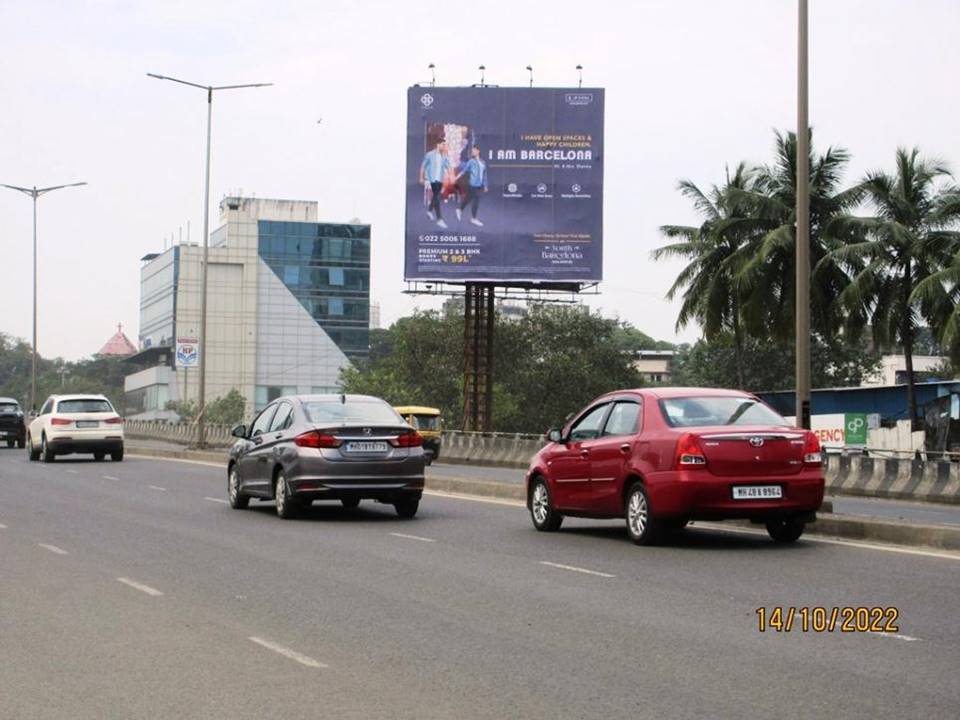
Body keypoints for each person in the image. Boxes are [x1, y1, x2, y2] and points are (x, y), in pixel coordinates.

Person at [419, 139, 451, 229]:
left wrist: (449, 176)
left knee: (436, 197)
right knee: (437, 197)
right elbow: (423, 166)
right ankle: (440, 219)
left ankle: (429, 211)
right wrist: (421, 177)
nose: (444, 146)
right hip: (431, 179)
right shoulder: (429, 155)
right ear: (438, 144)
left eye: (445, 145)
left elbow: (448, 166)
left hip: (439, 180)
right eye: (443, 144)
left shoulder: (444, 156)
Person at [455, 145, 488, 226]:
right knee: (476, 200)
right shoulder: (471, 161)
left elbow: (484, 175)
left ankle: (459, 209)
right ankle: (473, 218)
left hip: (479, 185)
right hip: (472, 184)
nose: (473, 152)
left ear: (478, 151)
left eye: (474, 150)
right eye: (472, 151)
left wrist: (485, 185)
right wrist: (456, 177)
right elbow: (464, 170)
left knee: (468, 199)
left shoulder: (483, 162)